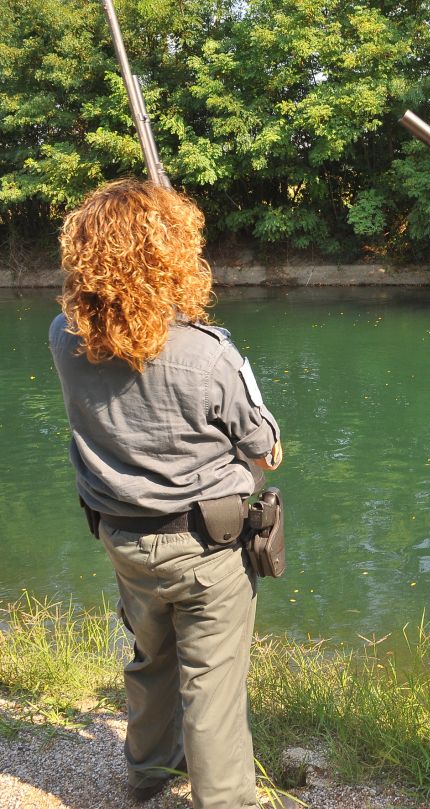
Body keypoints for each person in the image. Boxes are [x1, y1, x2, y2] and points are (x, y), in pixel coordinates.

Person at [50, 178, 284, 808]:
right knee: (211, 683)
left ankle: (147, 775)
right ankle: (225, 801)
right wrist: (231, 358)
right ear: (175, 257)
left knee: (151, 657)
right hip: (210, 547)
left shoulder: (62, 337)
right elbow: (264, 449)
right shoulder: (209, 354)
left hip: (121, 536)